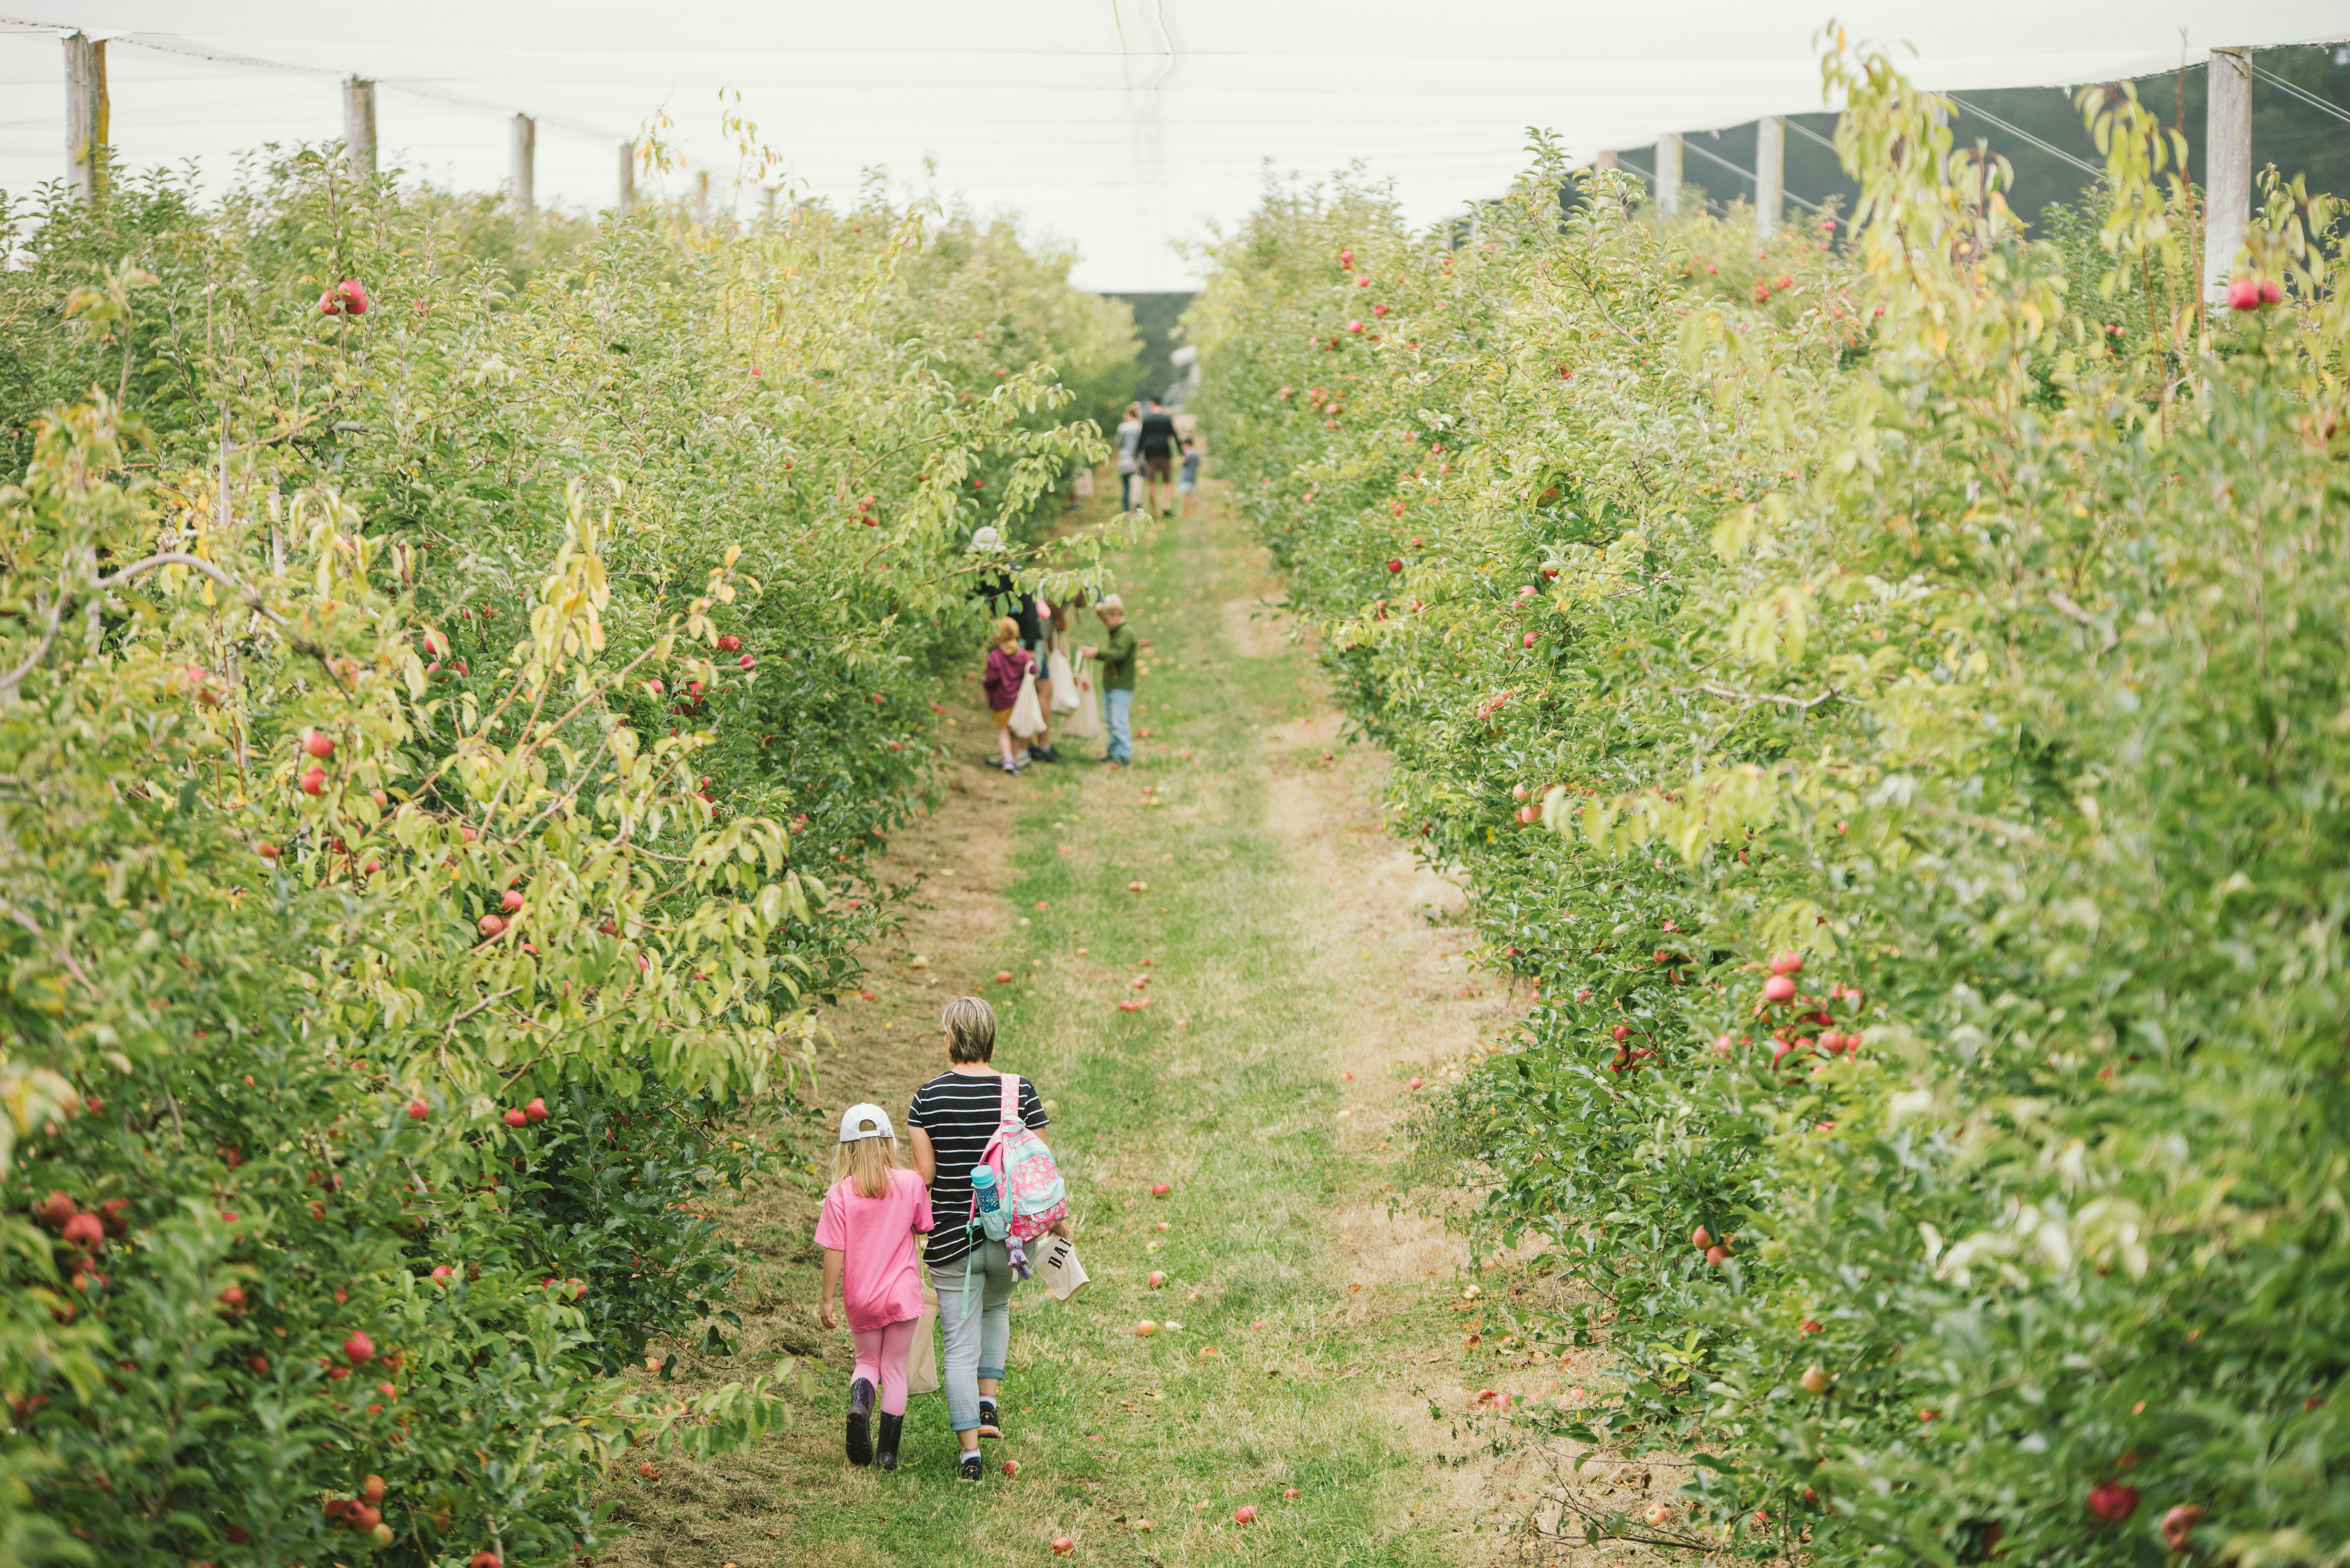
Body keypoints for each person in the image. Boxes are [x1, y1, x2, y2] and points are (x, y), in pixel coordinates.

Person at [907, 997, 1064, 1485]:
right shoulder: (1020, 1091)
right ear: (991, 1037)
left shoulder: (927, 1099)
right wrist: (1059, 1224)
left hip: (953, 1240)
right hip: (1011, 1242)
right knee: (996, 1309)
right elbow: (1040, 1169)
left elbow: (924, 1175)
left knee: (958, 1345)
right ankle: (988, 1403)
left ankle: (970, 1457)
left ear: (949, 1038)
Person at [815, 1103, 932, 1473]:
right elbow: (924, 1225)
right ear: (888, 1143)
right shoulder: (910, 1183)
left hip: (861, 1297)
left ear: (846, 1149)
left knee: (867, 1362)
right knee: (895, 1367)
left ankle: (860, 1406)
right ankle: (887, 1455)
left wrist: (827, 1299)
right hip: (902, 1294)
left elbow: (835, 1250)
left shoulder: (839, 1194)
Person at [1079, 593, 1139, 767]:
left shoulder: (1126, 632)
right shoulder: (1116, 631)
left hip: (1122, 685)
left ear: (1117, 614)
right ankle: (1114, 752)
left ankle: (1124, 754)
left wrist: (1097, 653)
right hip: (1112, 684)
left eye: (1105, 620)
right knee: (1110, 721)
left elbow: (1119, 654)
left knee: (1118, 721)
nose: (1104, 624)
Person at [982, 618, 1035, 773]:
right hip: (1019, 702)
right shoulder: (1022, 654)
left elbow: (992, 680)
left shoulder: (996, 656)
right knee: (1016, 732)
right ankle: (1015, 759)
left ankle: (1007, 759)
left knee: (1004, 730)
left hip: (1001, 701)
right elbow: (1033, 670)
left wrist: (987, 688)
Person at [1137, 400, 1179, 516]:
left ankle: (1155, 511)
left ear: (1152, 404)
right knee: (1167, 481)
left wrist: (1138, 453)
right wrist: (1181, 451)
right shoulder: (1167, 418)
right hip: (1165, 452)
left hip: (1150, 454)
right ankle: (1166, 506)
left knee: (1151, 482)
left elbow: (1143, 437)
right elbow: (1174, 435)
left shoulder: (1147, 419)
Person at [1113, 403, 1142, 511]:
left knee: (1126, 486)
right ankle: (1138, 509)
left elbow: (1118, 443)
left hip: (1124, 458)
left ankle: (1127, 510)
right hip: (1137, 459)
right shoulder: (1140, 427)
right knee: (1138, 484)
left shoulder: (1122, 428)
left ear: (1129, 414)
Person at [1177, 436, 1202, 518]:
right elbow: (1199, 465)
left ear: (1186, 445)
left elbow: (1182, 462)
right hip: (1193, 476)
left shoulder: (1186, 454)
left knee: (1186, 496)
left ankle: (1186, 512)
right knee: (1192, 495)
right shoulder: (1197, 454)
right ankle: (1194, 511)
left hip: (1186, 477)